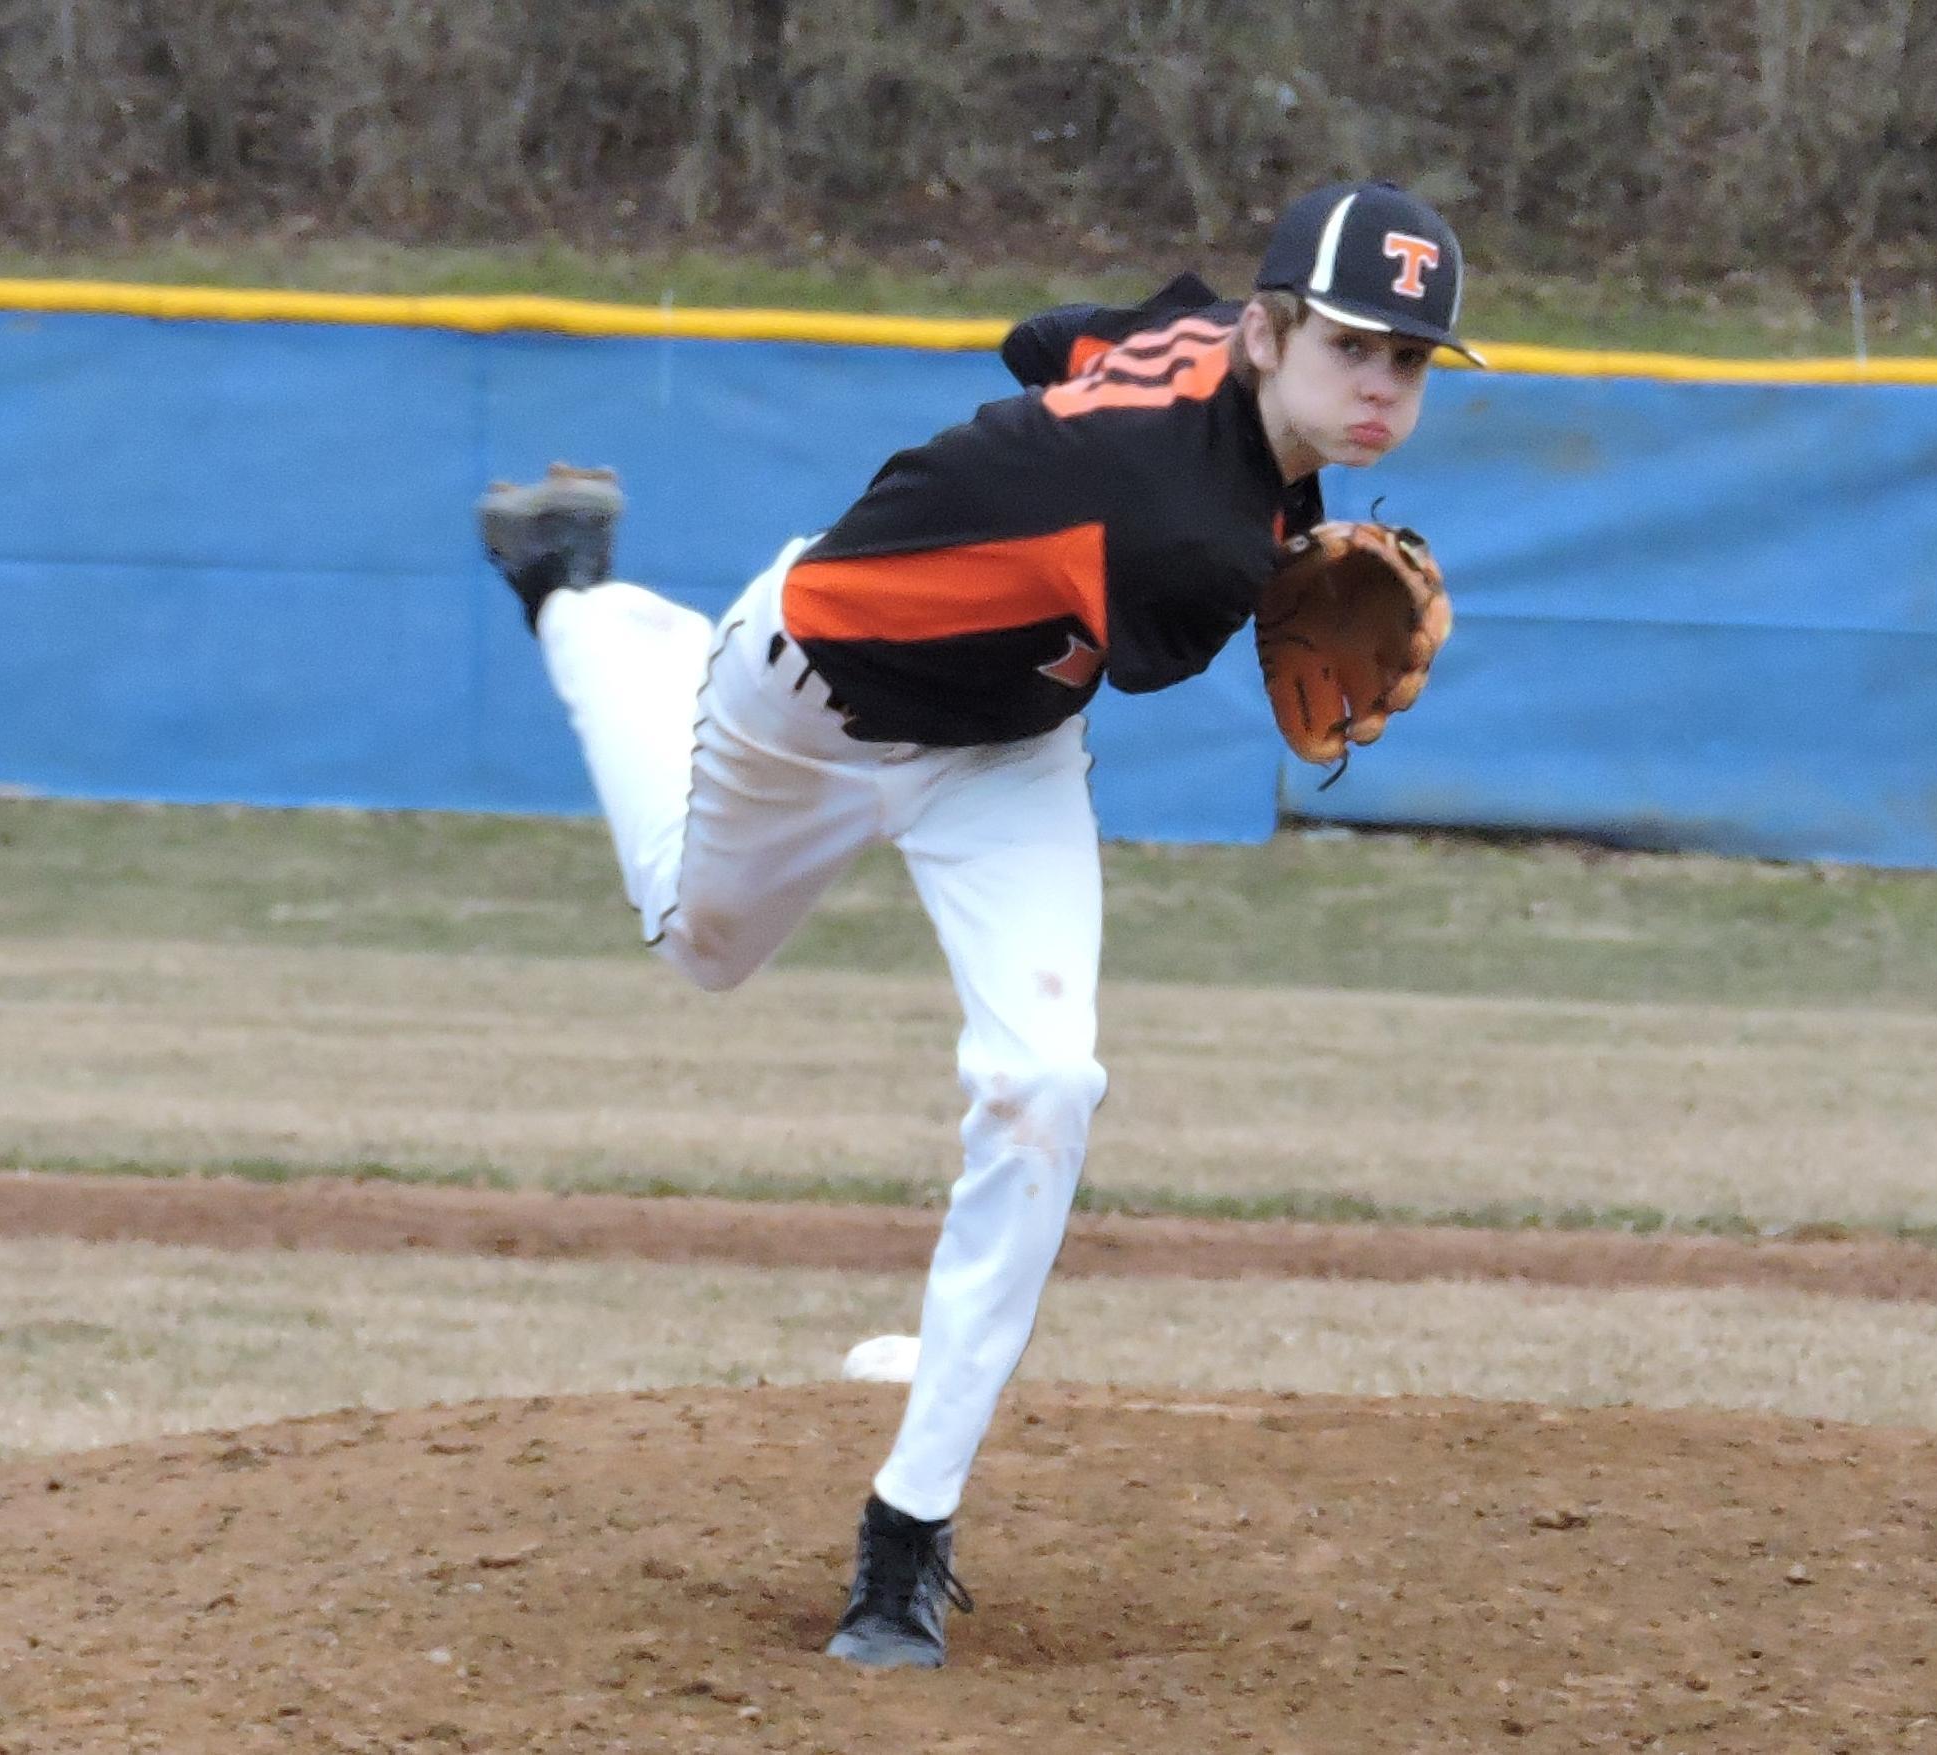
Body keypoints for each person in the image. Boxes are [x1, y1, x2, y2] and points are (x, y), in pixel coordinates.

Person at [477, 178, 1481, 1670]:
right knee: (700, 943)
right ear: (1268, 337)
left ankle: (907, 1539)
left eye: (1409, 360)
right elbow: (1179, 577)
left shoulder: (1208, 348)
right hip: (803, 708)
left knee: (1044, 1087)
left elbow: (1049, 340)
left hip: (1002, 754)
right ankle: (576, 601)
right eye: (1352, 346)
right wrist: (1260, 561)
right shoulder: (1185, 538)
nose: (1382, 386)